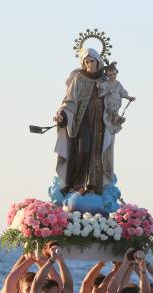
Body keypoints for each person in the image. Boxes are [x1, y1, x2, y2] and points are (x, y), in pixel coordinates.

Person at [54, 47, 115, 195]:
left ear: (98, 61)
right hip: (83, 120)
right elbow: (69, 101)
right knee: (83, 149)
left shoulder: (104, 79)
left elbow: (114, 97)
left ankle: (94, 185)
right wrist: (62, 114)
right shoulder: (79, 78)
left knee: (97, 153)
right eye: (86, 61)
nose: (89, 64)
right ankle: (75, 184)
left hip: (100, 121)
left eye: (92, 61)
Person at [98, 62, 135, 134]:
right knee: (110, 118)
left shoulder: (118, 84)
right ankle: (115, 122)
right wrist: (99, 86)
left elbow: (123, 93)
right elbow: (101, 89)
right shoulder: (106, 84)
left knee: (115, 117)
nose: (112, 76)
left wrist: (129, 98)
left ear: (116, 73)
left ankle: (116, 121)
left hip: (116, 106)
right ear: (107, 75)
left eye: (114, 74)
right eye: (110, 75)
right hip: (109, 107)